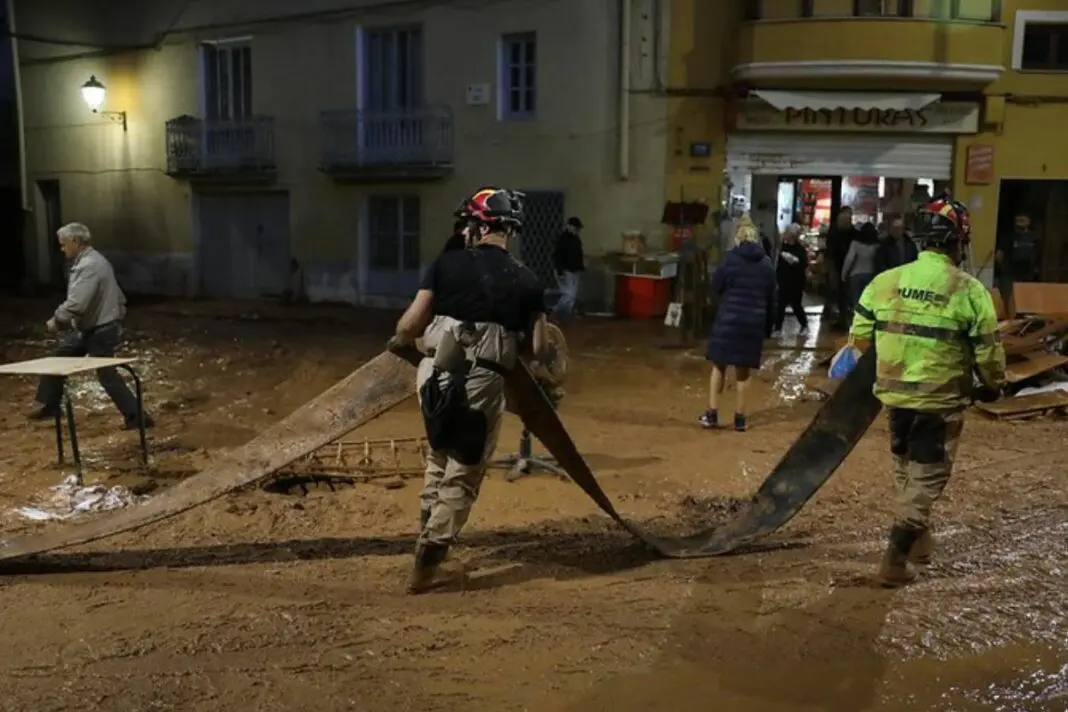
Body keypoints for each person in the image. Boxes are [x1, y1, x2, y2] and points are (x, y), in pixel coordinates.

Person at [390, 187, 550, 594]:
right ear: (508, 232)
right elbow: (540, 348)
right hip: (483, 380)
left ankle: (426, 538)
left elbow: (409, 327)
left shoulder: (446, 265)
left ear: (477, 226)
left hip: (433, 374)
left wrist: (408, 343)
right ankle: (428, 566)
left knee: (439, 458)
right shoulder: (528, 280)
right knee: (463, 473)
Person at [848, 195, 1005, 588]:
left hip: (895, 397)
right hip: (939, 400)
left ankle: (919, 541)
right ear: (958, 241)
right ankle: (894, 560)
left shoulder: (885, 282)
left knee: (905, 467)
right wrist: (993, 384)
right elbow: (988, 351)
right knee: (927, 476)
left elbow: (859, 340)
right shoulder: (969, 291)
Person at [28, 223, 154, 430]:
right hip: (93, 327)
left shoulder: (90, 265)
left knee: (107, 374)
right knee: (60, 357)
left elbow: (77, 303)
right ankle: (51, 405)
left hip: (100, 329)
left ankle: (138, 417)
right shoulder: (92, 262)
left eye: (64, 244)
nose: (62, 249)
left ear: (75, 242)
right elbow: (119, 295)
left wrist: (58, 319)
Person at [700, 215, 776, 432]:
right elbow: (772, 298)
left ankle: (712, 414)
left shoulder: (729, 260)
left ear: (737, 237)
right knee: (743, 372)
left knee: (719, 366)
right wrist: (769, 326)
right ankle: (740, 419)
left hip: (728, 320)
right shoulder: (767, 264)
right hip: (753, 323)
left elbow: (716, 286)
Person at [995, 213, 1040, 319]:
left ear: (1029, 221)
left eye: (1023, 219)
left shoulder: (1034, 238)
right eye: (1018, 219)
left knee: (1026, 301)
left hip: (1027, 274)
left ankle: (1024, 324)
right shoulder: (1008, 237)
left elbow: (1039, 254)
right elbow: (999, 256)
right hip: (1010, 274)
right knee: (1009, 300)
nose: (1020, 221)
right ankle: (1010, 322)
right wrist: (1004, 268)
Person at [826, 207, 859, 329]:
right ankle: (838, 316)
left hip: (847, 268)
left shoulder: (851, 234)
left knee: (844, 294)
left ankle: (842, 317)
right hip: (838, 266)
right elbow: (831, 251)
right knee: (837, 292)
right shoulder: (836, 234)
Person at [772, 223, 808, 336]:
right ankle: (778, 328)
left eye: (787, 233)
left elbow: (803, 264)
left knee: (796, 305)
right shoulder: (783, 247)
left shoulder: (800, 249)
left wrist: (794, 261)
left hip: (796, 283)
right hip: (783, 282)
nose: (785, 235)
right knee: (780, 305)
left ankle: (804, 325)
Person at [841, 222, 881, 318]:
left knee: (856, 302)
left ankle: (857, 321)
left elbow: (849, 259)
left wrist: (843, 274)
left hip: (855, 275)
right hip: (871, 276)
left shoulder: (855, 244)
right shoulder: (877, 245)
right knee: (868, 302)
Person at [552, 216, 585, 318]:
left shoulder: (576, 239)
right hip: (566, 270)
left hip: (574, 270)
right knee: (568, 294)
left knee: (572, 294)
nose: (577, 230)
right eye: (576, 228)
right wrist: (559, 270)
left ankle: (566, 313)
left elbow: (578, 255)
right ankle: (556, 312)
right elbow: (557, 255)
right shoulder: (563, 239)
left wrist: (581, 267)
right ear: (569, 227)